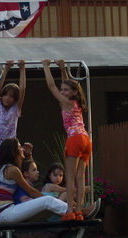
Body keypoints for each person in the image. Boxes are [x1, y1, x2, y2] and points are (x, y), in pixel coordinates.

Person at [0, 138, 100, 224]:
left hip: (5, 212)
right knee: (48, 200)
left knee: (48, 201)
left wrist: (29, 155)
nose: (22, 148)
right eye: (19, 147)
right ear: (13, 152)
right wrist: (50, 201)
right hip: (6, 213)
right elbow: (31, 191)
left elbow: (28, 170)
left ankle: (78, 211)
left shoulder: (6, 168)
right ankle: (82, 212)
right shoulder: (12, 170)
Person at [42, 59, 92, 222]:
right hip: (86, 140)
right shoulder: (77, 103)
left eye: (65, 90)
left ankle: (70, 210)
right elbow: (65, 84)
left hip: (75, 139)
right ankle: (78, 211)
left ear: (73, 92)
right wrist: (63, 68)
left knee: (70, 176)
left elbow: (51, 87)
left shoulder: (67, 102)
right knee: (79, 177)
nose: (62, 92)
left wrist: (46, 67)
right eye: (62, 90)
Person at [0, 60, 26, 147]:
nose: (7, 98)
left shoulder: (15, 109)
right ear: (2, 96)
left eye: (11, 96)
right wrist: (6, 69)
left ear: (15, 99)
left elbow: (22, 89)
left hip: (10, 146)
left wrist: (22, 69)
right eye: (5, 95)